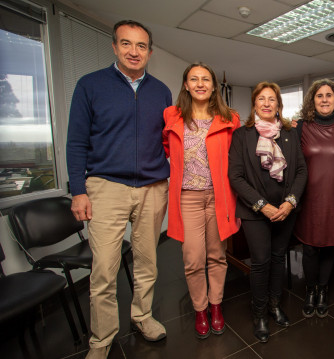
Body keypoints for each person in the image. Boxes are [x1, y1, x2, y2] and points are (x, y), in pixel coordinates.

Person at [66, 20, 171, 359]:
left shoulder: (161, 91)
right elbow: (76, 142)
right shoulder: (90, 85)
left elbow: (167, 140)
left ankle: (142, 316)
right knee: (105, 269)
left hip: (153, 187)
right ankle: (102, 338)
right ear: (114, 47)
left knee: (147, 261)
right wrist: (78, 190)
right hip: (105, 187)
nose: (133, 51)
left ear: (150, 52)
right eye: (126, 44)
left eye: (141, 46)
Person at [162, 63, 241, 339]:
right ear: (185, 84)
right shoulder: (172, 115)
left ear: (213, 85)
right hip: (188, 198)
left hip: (219, 196)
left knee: (217, 255)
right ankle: (200, 308)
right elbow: (164, 146)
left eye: (205, 79)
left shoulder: (229, 117)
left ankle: (216, 306)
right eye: (193, 79)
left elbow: (237, 156)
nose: (200, 83)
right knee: (193, 258)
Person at [228, 82, 307, 343]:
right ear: (254, 104)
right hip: (255, 211)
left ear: (278, 105)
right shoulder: (242, 136)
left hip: (286, 210)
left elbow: (300, 171)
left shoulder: (290, 134)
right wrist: (263, 205)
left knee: (277, 258)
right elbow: (236, 176)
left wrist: (290, 202)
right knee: (260, 262)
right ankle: (259, 313)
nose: (266, 103)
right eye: (261, 99)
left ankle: (274, 305)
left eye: (271, 99)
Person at [294, 79, 334, 318]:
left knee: (330, 246)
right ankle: (310, 290)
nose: (325, 99)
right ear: (312, 100)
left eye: (329, 95)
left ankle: (323, 290)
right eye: (319, 96)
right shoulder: (300, 127)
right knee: (309, 248)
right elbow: (294, 165)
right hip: (308, 198)